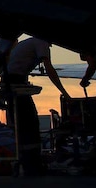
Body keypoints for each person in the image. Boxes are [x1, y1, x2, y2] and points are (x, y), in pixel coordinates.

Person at [5, 37, 65, 175]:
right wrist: (65, 93)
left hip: (13, 81)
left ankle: (27, 162)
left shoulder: (30, 42)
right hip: (15, 82)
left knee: (24, 123)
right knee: (29, 123)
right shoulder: (41, 42)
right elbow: (50, 69)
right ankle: (32, 164)